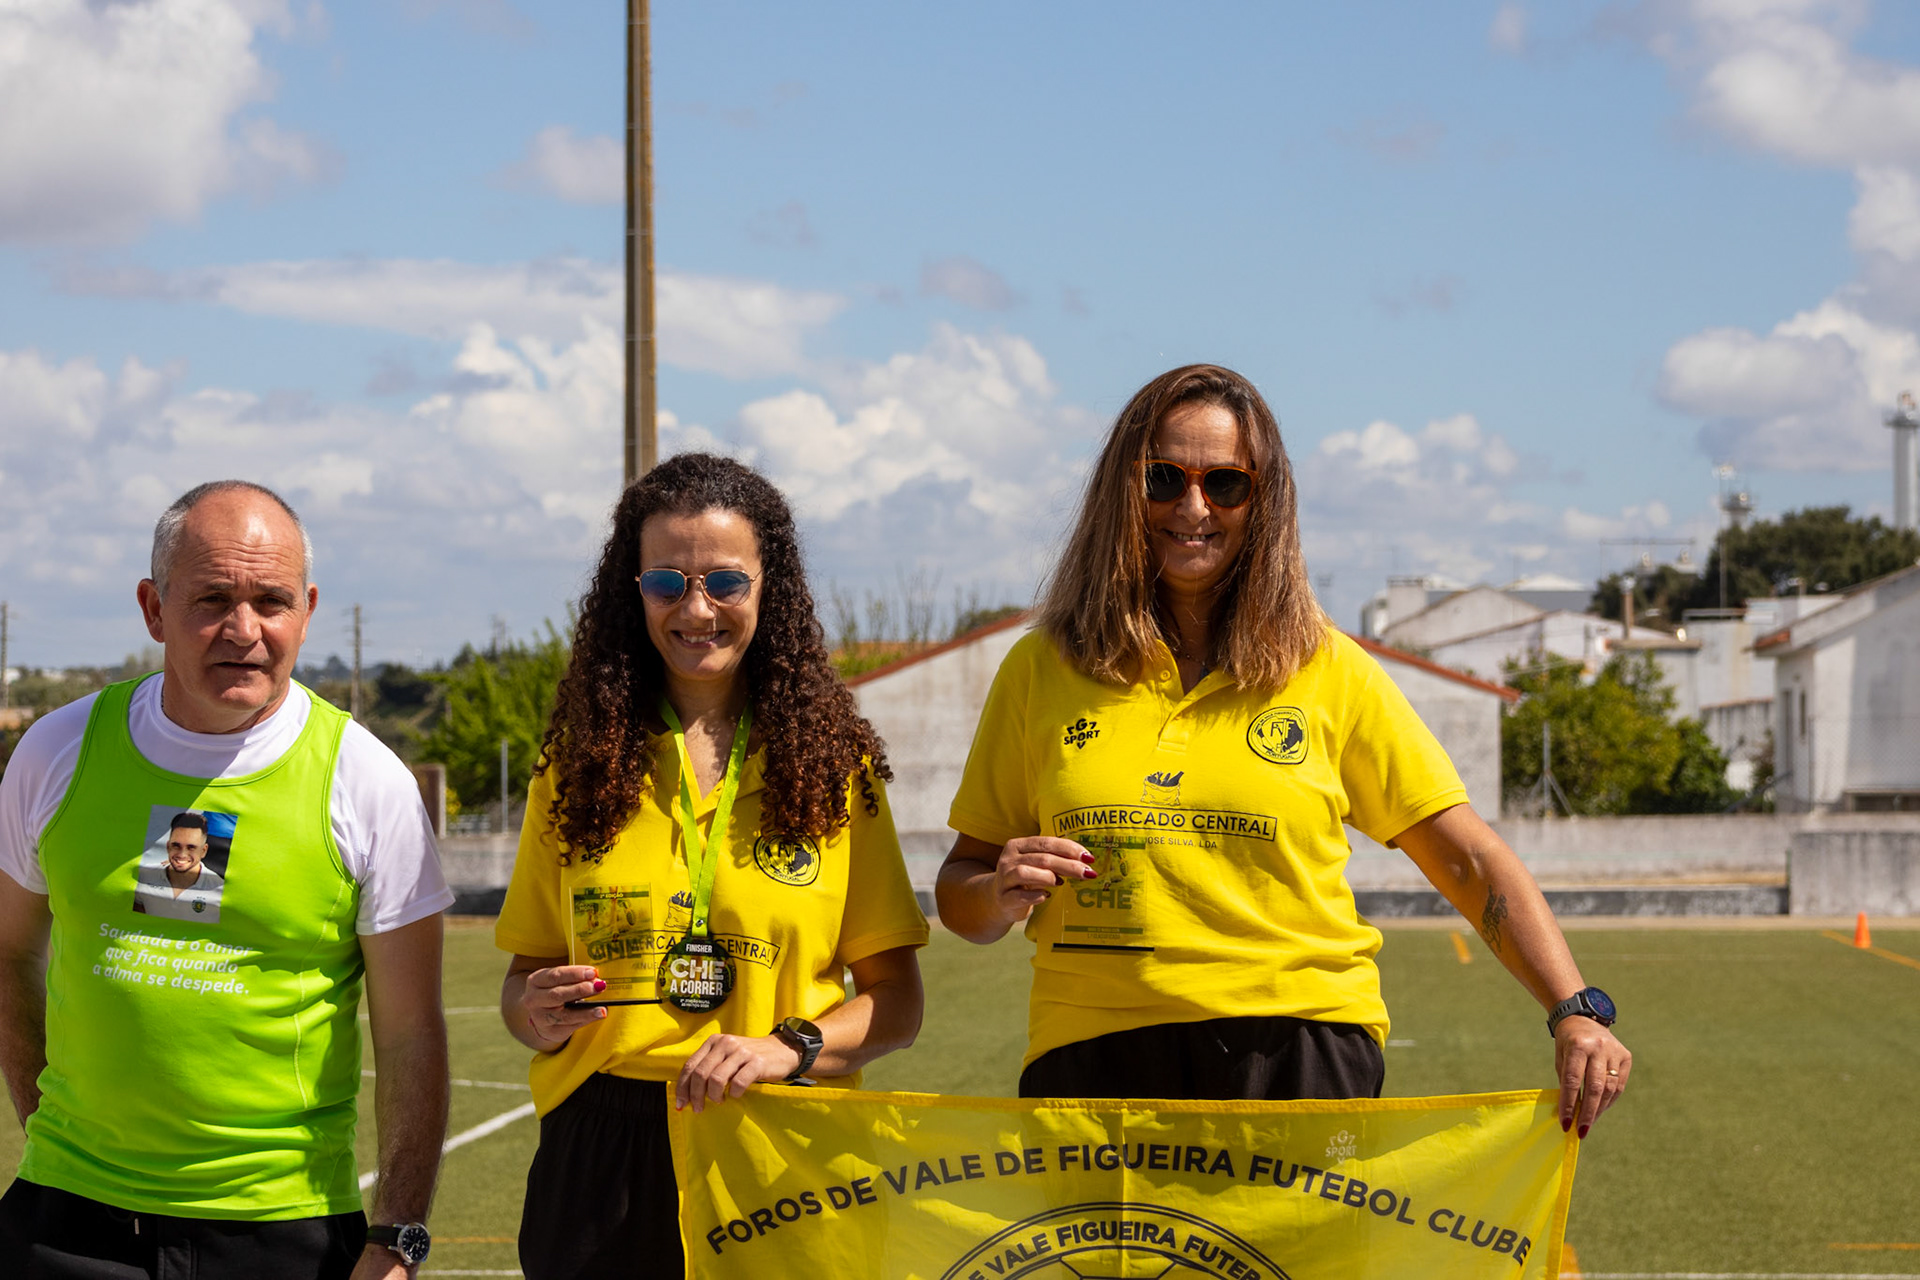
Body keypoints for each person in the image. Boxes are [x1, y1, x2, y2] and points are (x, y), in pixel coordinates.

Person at [936, 364, 1632, 1135]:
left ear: (1264, 501)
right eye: (1163, 478)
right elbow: (962, 893)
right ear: (1121, 491)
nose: (1193, 507)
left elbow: (1466, 858)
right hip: (1089, 1054)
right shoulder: (1041, 668)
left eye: (1225, 484)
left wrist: (1574, 1008)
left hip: (1300, 1049)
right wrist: (996, 892)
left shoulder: (1330, 669)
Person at [0, 481, 452, 1279]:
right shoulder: (54, 751)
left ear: (307, 611)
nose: (244, 630)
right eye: (212, 599)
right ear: (153, 608)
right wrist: (47, 1126)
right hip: (68, 1221)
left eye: (272, 601)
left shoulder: (366, 781)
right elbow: (9, 955)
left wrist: (397, 1238)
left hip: (283, 1230)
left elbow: (411, 1032)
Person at [495, 453, 927, 1280]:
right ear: (634, 591)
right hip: (602, 1157)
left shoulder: (832, 769)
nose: (697, 609)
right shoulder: (578, 767)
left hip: (782, 1140)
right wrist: (536, 1011)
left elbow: (897, 1003)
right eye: (667, 582)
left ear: (769, 590)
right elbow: (522, 988)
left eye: (726, 582)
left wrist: (790, 1047)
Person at [133, 811, 228, 920]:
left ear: (203, 851)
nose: (182, 855)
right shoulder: (143, 875)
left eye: (191, 847)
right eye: (176, 846)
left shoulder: (220, 889)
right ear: (168, 846)